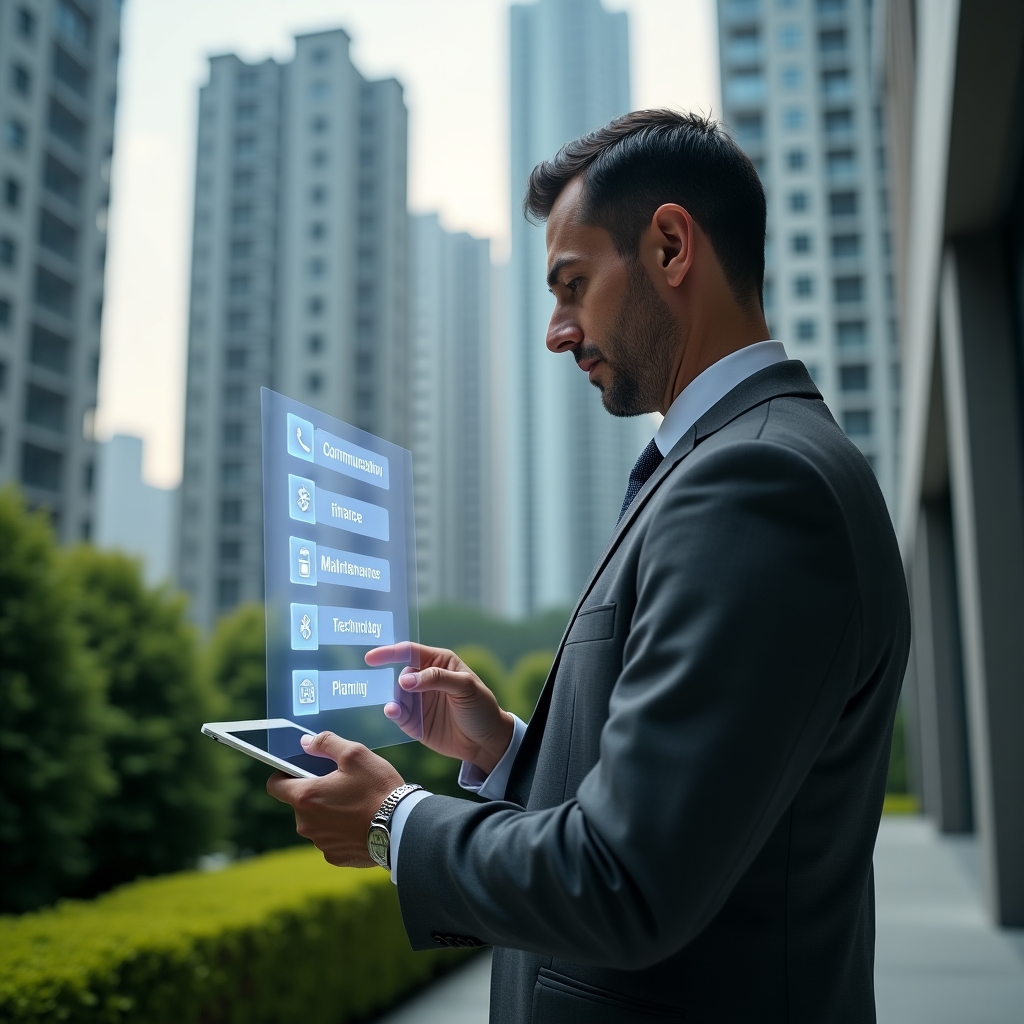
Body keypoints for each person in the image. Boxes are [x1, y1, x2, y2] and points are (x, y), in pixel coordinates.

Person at [268, 110, 910, 1023]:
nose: (557, 332)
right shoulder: (729, 464)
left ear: (671, 247)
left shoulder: (755, 483)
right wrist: (509, 751)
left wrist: (394, 822)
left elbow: (629, 880)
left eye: (572, 286)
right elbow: (699, 809)